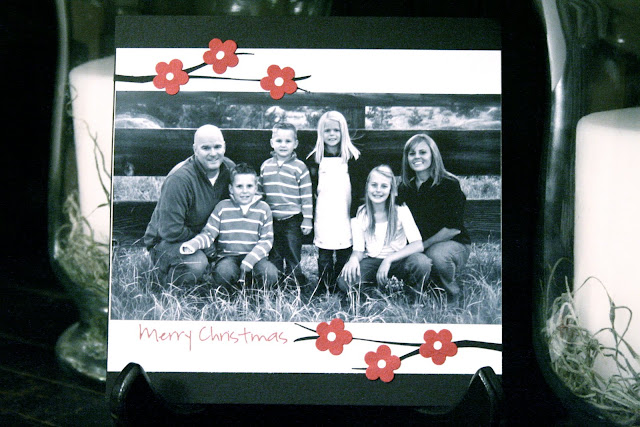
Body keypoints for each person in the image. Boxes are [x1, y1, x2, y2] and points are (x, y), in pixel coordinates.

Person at [143, 124, 234, 287]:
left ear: (225, 147)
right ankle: (171, 288)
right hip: (168, 243)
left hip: (208, 239)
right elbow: (170, 230)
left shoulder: (230, 170)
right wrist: (205, 244)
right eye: (205, 148)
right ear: (195, 149)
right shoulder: (179, 179)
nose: (213, 153)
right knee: (196, 263)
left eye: (217, 147)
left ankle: (213, 283)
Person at [180, 163, 279, 289]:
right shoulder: (222, 207)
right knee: (223, 273)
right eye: (239, 186)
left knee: (270, 274)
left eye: (249, 186)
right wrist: (194, 244)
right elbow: (209, 233)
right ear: (231, 189)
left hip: (256, 257)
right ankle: (232, 291)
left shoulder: (263, 209)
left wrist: (250, 260)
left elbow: (266, 241)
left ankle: (253, 288)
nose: (244, 191)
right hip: (228, 256)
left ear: (256, 188)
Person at [397, 133, 472, 298]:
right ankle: (418, 295)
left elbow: (453, 229)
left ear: (433, 155)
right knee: (417, 260)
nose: (417, 157)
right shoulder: (405, 187)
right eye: (412, 153)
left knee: (436, 255)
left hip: (453, 243)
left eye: (423, 152)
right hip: (420, 245)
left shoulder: (449, 184)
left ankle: (450, 297)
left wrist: (423, 246)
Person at [337, 165, 431, 293]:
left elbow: (418, 245)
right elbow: (359, 250)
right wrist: (353, 259)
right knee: (345, 281)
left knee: (422, 262)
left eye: (384, 186)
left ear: (391, 189)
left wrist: (388, 260)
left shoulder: (401, 209)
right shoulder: (361, 213)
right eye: (374, 185)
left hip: (399, 260)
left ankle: (409, 293)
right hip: (372, 261)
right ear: (367, 186)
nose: (378, 190)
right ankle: (377, 292)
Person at [306, 111, 368, 290]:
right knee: (324, 253)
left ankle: (342, 284)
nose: (331, 134)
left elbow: (360, 187)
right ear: (321, 133)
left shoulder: (353, 157)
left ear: (343, 132)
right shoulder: (314, 159)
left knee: (344, 251)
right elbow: (310, 188)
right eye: (327, 131)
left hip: (345, 212)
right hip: (324, 213)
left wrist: (356, 212)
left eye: (336, 130)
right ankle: (324, 286)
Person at [258, 122, 313, 286]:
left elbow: (306, 194)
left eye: (288, 141)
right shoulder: (266, 166)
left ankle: (294, 283)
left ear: (295, 144)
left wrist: (307, 219)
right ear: (272, 143)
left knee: (292, 252)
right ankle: (275, 282)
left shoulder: (299, 167)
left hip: (292, 219)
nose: (283, 145)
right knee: (274, 253)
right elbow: (260, 192)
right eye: (279, 141)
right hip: (271, 219)